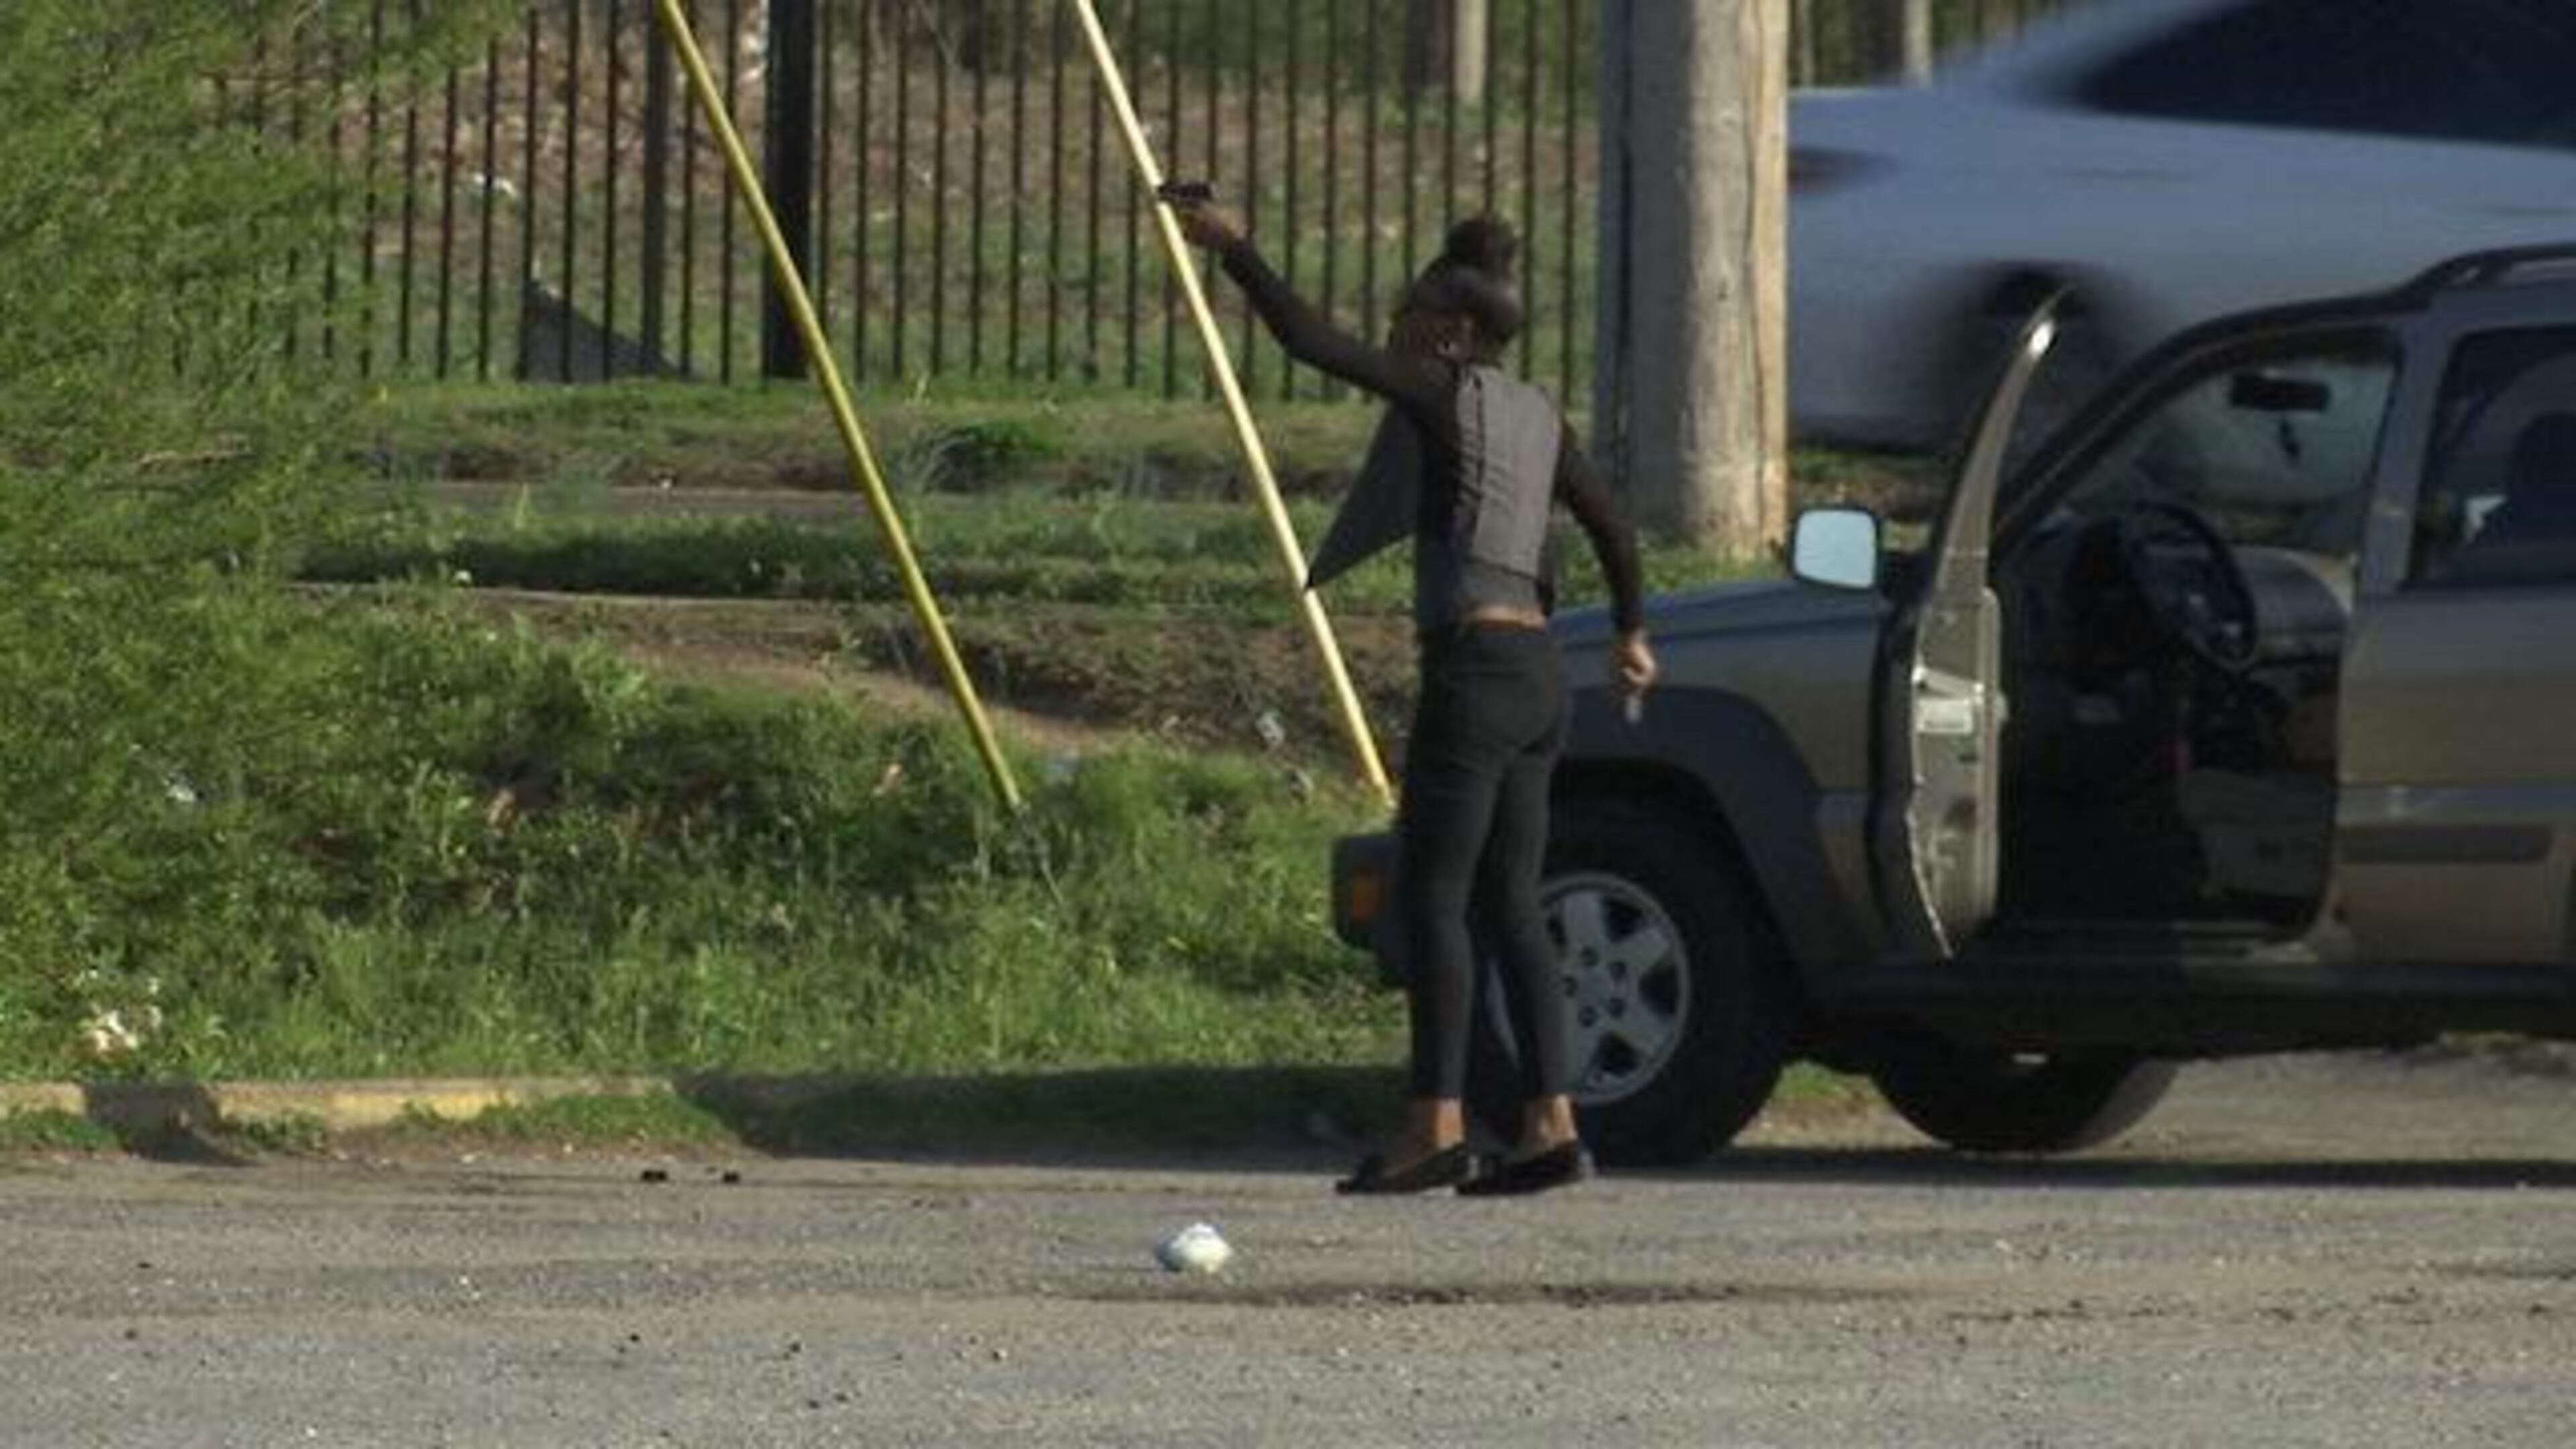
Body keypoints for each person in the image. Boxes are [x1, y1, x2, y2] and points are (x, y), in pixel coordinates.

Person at [1171, 199, 1657, 1196]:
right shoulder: (1537, 414)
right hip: (1541, 679)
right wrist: (1630, 633)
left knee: (1431, 895)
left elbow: (1310, 343)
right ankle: (1548, 1125)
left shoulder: (1444, 392)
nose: (1400, 321)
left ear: (1455, 331)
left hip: (1476, 675)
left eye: (1417, 308)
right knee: (1513, 904)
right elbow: (1612, 524)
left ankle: (1432, 1124)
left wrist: (1238, 251)